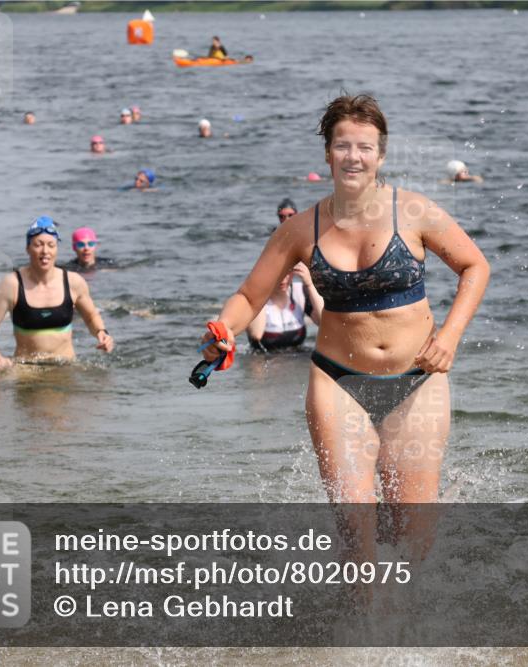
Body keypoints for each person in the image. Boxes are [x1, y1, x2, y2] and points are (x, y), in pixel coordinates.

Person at [201, 94, 489, 516]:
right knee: (356, 528)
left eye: (365, 147)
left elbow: (475, 266)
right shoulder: (300, 229)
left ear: (381, 155)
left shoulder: (414, 211)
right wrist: (224, 330)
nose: (353, 157)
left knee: (412, 532)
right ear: (327, 153)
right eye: (342, 146)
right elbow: (249, 296)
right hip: (337, 383)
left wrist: (450, 337)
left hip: (417, 381)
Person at [0, 216, 114, 370]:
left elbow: (91, 316)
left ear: (56, 249)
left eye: (51, 245)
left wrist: (101, 332)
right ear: (28, 248)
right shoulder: (12, 284)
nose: (45, 251)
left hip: (66, 367)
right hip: (27, 370)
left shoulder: (74, 282)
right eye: (38, 245)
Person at [247, 199, 324, 351]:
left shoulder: (299, 292)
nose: (282, 279)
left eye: (287, 273)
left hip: (296, 361)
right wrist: (263, 286)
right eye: (282, 216)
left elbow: (324, 322)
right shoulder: (257, 294)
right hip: (266, 361)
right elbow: (256, 334)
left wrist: (309, 284)